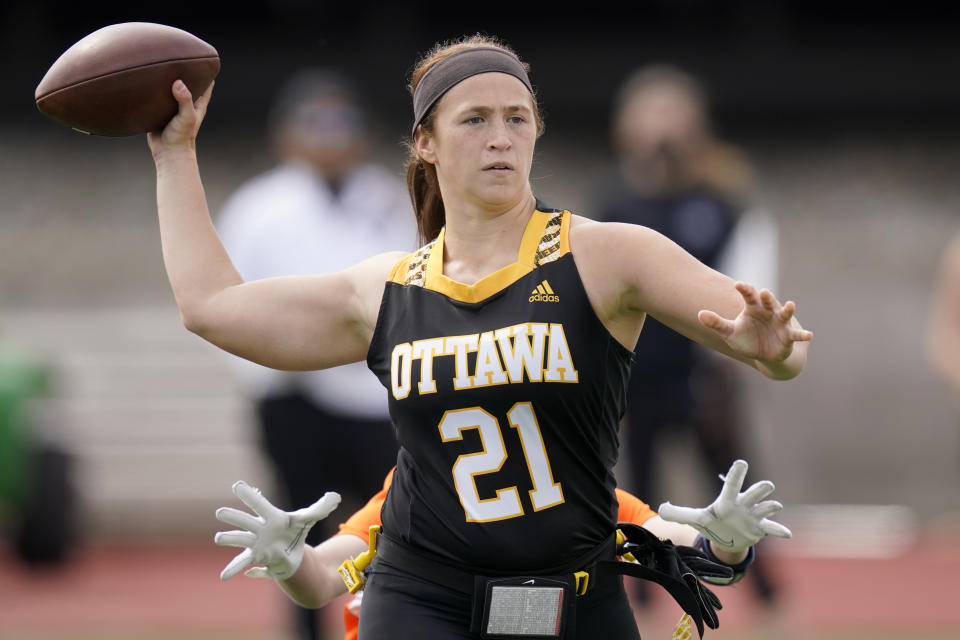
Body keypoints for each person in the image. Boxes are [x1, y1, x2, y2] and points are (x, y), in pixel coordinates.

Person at [146, 34, 810, 639]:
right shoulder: (386, 289)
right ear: (426, 142)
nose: (500, 137)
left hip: (576, 594)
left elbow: (782, 347)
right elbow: (211, 307)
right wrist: (175, 154)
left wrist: (776, 351)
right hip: (420, 596)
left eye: (516, 118)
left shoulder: (608, 256)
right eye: (475, 119)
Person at [212, 68, 415, 640]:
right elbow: (234, 305)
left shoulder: (388, 197)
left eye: (340, 122)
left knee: (392, 524)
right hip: (292, 395)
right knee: (296, 530)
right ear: (286, 134)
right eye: (314, 122)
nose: (329, 136)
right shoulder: (257, 208)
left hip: (375, 396)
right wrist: (272, 372)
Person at [594, 63, 784, 608]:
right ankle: (640, 607)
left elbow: (753, 285)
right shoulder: (613, 206)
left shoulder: (721, 204)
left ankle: (769, 599)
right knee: (638, 498)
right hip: (636, 379)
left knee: (737, 491)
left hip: (702, 379)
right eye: (650, 114)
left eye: (673, 113)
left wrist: (728, 368)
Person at [213, 462, 779, 640]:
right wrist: (293, 562)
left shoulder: (578, 490)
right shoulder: (417, 487)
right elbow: (324, 578)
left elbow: (683, 546)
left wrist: (725, 545)